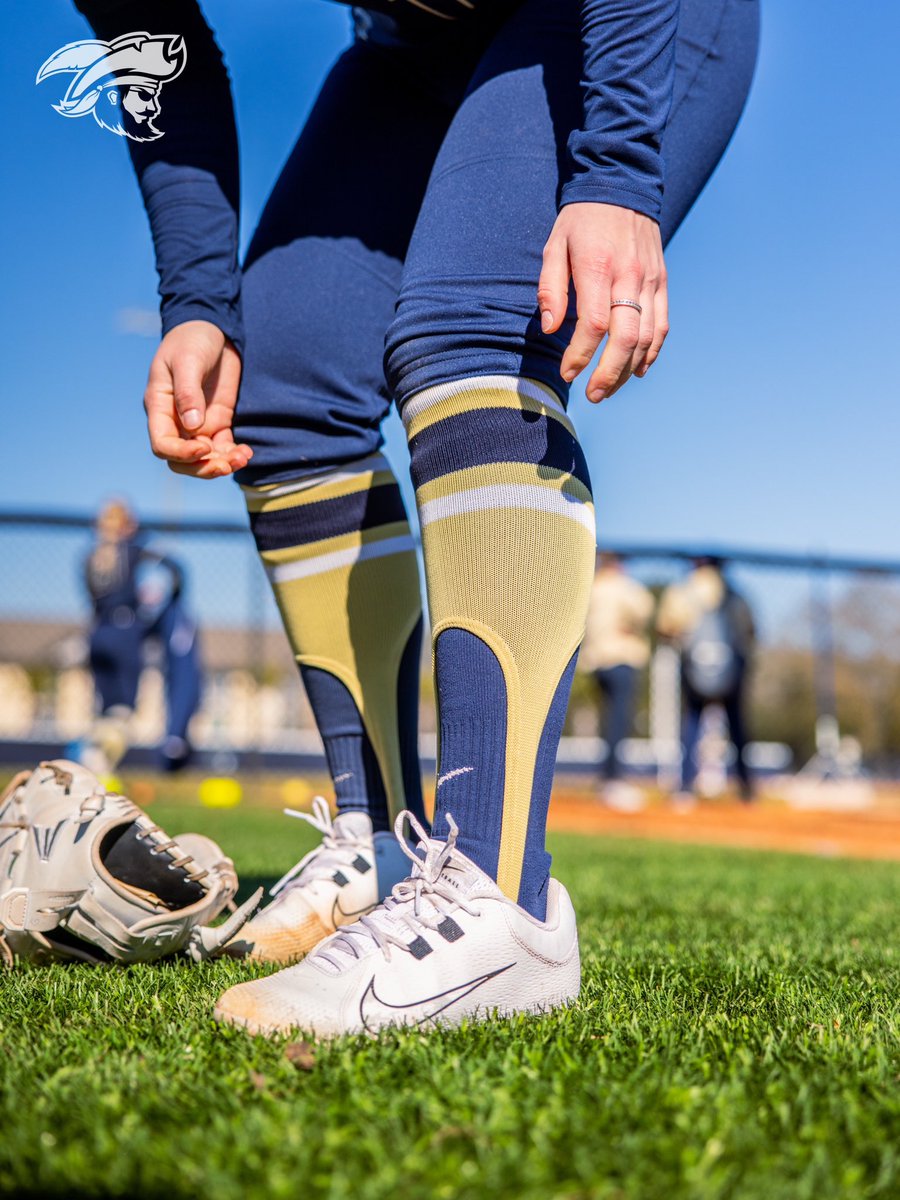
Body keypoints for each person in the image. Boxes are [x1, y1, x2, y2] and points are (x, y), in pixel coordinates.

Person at [71, 0, 759, 1035]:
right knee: (285, 398)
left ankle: (497, 900)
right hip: (411, 48)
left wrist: (615, 168)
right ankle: (384, 844)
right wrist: (197, 299)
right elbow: (149, 41)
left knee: (475, 318)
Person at [81, 498, 202, 775]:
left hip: (97, 635)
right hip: (125, 636)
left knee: (106, 707)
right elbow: (175, 569)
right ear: (128, 525)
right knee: (123, 711)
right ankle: (95, 762)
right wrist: (165, 600)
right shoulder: (135, 552)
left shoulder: (89, 558)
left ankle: (95, 759)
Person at [657, 556, 756, 803]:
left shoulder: (682, 591)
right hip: (731, 672)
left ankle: (685, 786)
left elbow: (666, 626)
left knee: (691, 726)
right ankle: (746, 788)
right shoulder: (735, 594)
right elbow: (750, 632)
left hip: (693, 670)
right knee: (737, 728)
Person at [580, 553, 654, 808]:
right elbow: (644, 610)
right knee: (618, 721)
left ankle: (606, 778)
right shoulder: (624, 587)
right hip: (620, 658)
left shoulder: (590, 588)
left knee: (606, 720)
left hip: (595, 661)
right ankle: (613, 780)